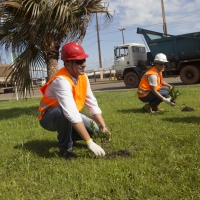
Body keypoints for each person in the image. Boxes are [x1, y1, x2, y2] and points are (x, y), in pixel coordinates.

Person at [38, 42, 111, 159]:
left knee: (95, 130)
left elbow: (91, 102)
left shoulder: (83, 77)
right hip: (49, 117)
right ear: (67, 63)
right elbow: (70, 112)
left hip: (70, 113)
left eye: (84, 60)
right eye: (79, 61)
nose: (84, 64)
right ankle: (66, 149)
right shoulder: (61, 80)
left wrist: (103, 126)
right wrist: (90, 143)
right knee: (63, 112)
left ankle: (67, 135)